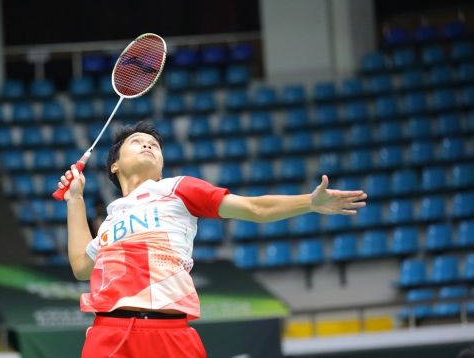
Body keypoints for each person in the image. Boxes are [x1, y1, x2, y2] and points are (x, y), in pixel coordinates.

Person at [57, 121, 367, 358]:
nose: (148, 146)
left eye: (154, 144)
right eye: (137, 142)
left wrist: (309, 203)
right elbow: (83, 266)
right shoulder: (112, 219)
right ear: (115, 164)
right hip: (109, 332)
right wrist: (76, 199)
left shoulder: (177, 189)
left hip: (170, 333)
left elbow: (254, 208)